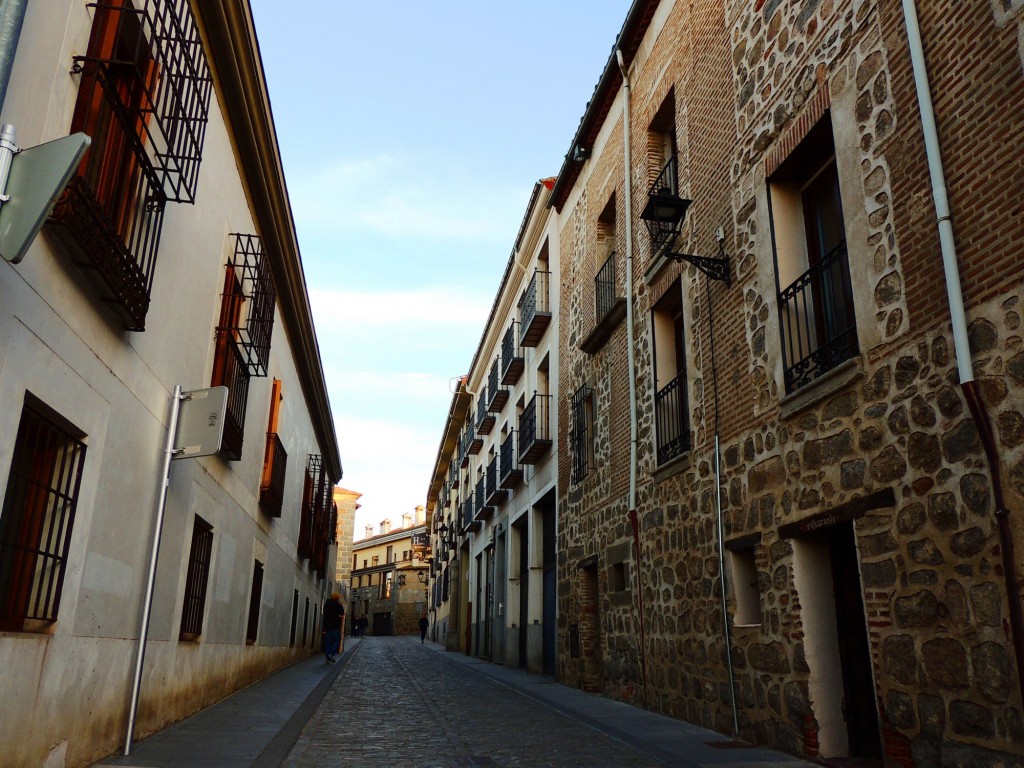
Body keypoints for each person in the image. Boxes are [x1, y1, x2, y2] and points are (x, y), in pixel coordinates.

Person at [322, 593, 345, 663]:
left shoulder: (326, 604)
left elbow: (325, 615)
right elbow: (342, 613)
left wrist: (324, 628)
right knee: (336, 640)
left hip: (328, 626)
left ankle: (328, 655)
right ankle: (331, 654)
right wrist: (340, 605)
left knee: (328, 642)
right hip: (335, 626)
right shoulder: (338, 604)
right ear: (337, 598)